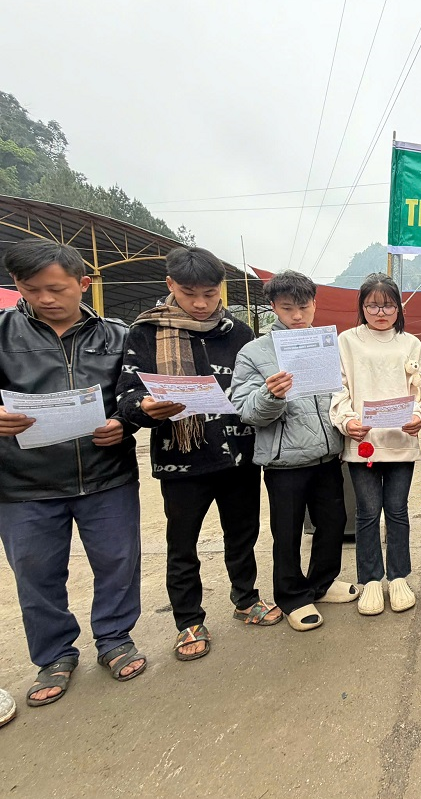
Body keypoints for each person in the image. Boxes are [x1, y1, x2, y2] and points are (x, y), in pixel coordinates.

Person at [0, 239, 145, 707]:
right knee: (36, 572)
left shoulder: (117, 336)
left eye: (56, 289)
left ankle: (115, 637)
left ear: (83, 283)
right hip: (24, 482)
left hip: (106, 473)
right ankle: (54, 655)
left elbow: (132, 393)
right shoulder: (2, 334)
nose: (44, 299)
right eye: (31, 289)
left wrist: (123, 423)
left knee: (118, 561)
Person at [117, 246, 280, 661]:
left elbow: (254, 387)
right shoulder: (147, 332)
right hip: (182, 459)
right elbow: (127, 395)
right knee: (183, 543)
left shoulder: (238, 332)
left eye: (210, 293)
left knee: (242, 534)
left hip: (238, 455)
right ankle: (188, 619)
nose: (202, 303)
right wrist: (145, 408)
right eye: (190, 294)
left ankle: (246, 598)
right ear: (171, 285)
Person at [231, 270, 357, 632]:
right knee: (286, 533)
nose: (297, 315)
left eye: (304, 307)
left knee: (332, 523)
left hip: (328, 454)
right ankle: (292, 596)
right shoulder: (255, 352)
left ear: (315, 303)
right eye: (288, 308)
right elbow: (246, 410)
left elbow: (343, 394)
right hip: (284, 461)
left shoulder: (327, 345)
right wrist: (271, 394)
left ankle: (322, 583)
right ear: (273, 307)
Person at [329, 272, 421, 615]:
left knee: (397, 510)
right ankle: (371, 580)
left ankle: (399, 576)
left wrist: (419, 416)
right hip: (362, 440)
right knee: (366, 513)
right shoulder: (346, 341)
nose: (381, 312)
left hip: (400, 440)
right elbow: (338, 387)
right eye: (373, 305)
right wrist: (347, 420)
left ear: (398, 308)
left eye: (388, 305)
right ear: (362, 307)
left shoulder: (411, 343)